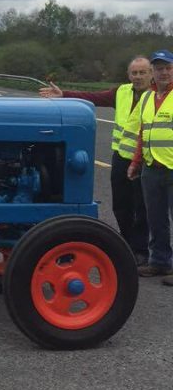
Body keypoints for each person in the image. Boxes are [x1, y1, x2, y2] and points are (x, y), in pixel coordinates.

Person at [39, 56, 152, 265]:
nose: (138, 77)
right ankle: (126, 242)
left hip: (146, 159)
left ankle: (141, 250)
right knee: (121, 203)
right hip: (121, 157)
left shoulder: (156, 96)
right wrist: (64, 94)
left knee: (141, 207)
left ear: (150, 74)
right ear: (129, 75)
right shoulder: (122, 92)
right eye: (134, 73)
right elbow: (94, 97)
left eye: (142, 72)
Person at [127, 50, 173, 283]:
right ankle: (160, 262)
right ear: (153, 72)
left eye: (168, 68)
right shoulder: (147, 97)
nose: (163, 72)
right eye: (159, 68)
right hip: (151, 166)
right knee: (156, 219)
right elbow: (143, 133)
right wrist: (136, 162)